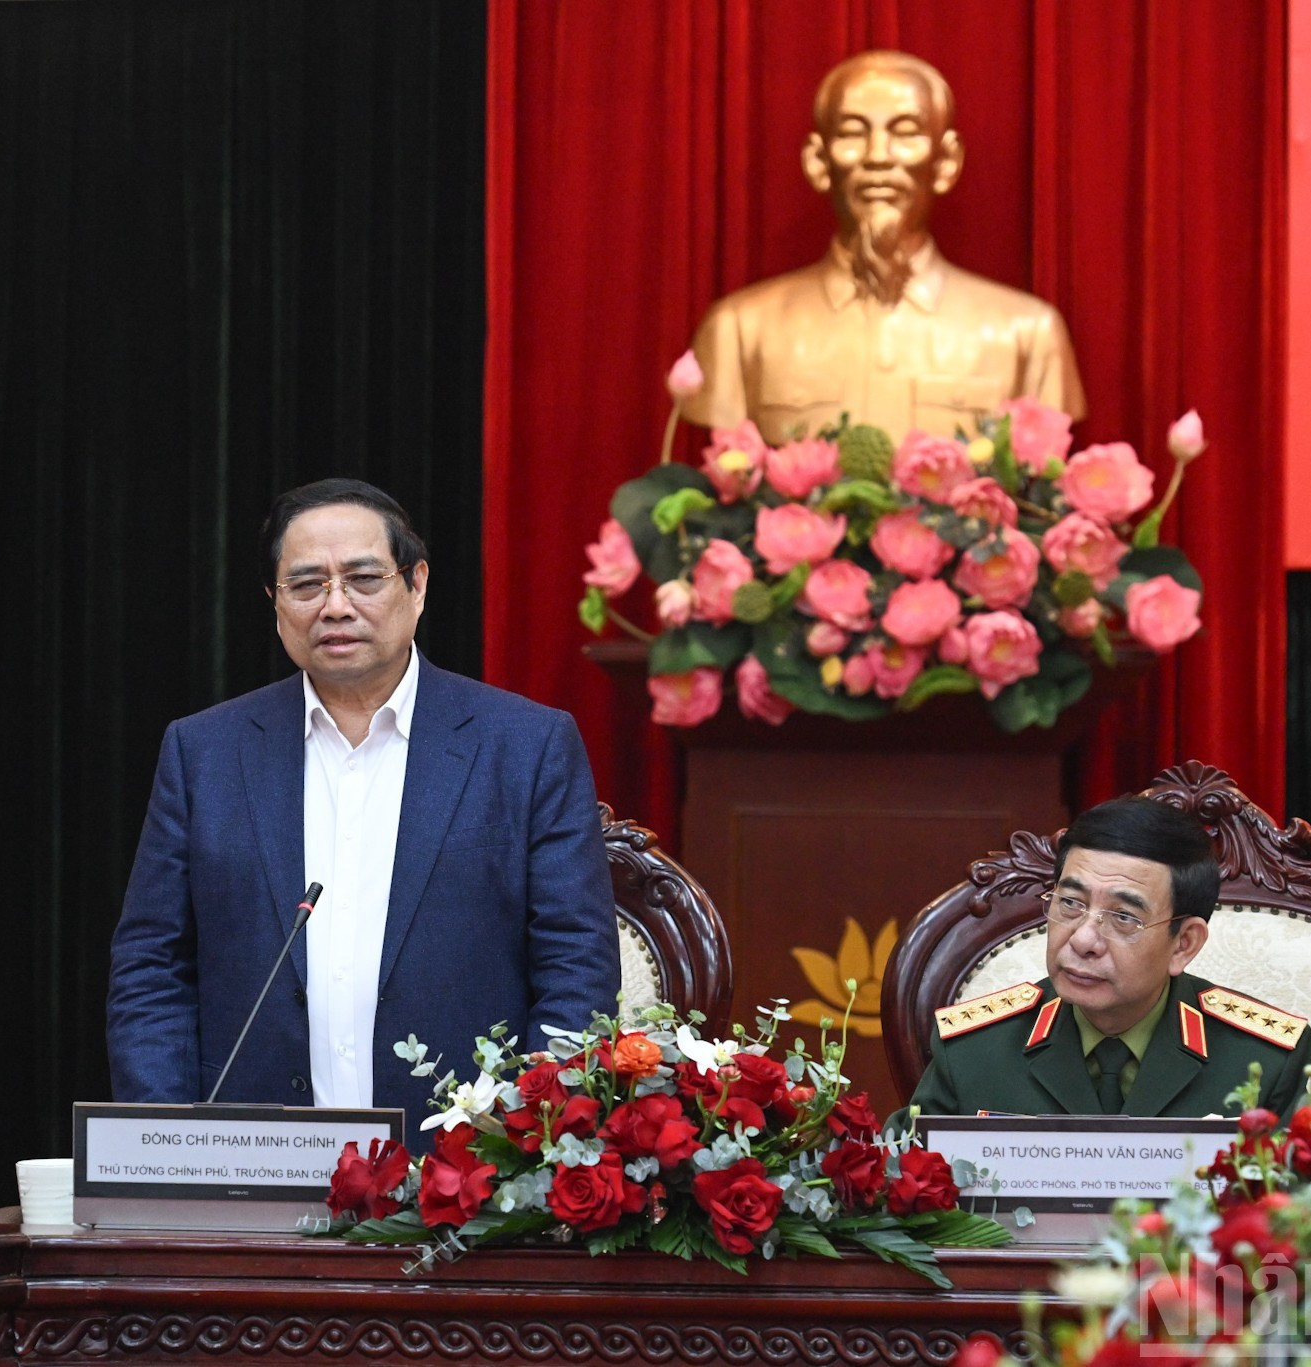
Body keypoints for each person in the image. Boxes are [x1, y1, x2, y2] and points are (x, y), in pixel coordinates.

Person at [106, 479, 620, 1132]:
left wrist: (526, 1145)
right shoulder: (204, 752)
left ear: (418, 583)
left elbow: (576, 968)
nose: (336, 605)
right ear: (275, 601)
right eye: (307, 584)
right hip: (250, 1179)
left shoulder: (525, 747)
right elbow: (152, 969)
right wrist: (169, 1145)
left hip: (466, 1183)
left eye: (363, 578)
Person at [680, 50, 1085, 446]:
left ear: (946, 162)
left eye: (906, 132)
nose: (878, 156)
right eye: (853, 133)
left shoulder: (1026, 334)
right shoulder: (739, 330)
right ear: (819, 162)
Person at [907, 797, 1311, 1118]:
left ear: (1183, 944)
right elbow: (906, 1192)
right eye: (1070, 903)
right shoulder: (973, 1050)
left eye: (1123, 917)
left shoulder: (1261, 1060)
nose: (1084, 939)